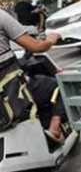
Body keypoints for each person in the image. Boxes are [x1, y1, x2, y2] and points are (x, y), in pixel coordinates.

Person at [0, 9, 64, 140]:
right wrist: (51, 39)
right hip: (11, 93)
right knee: (60, 85)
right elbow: (37, 47)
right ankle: (54, 128)